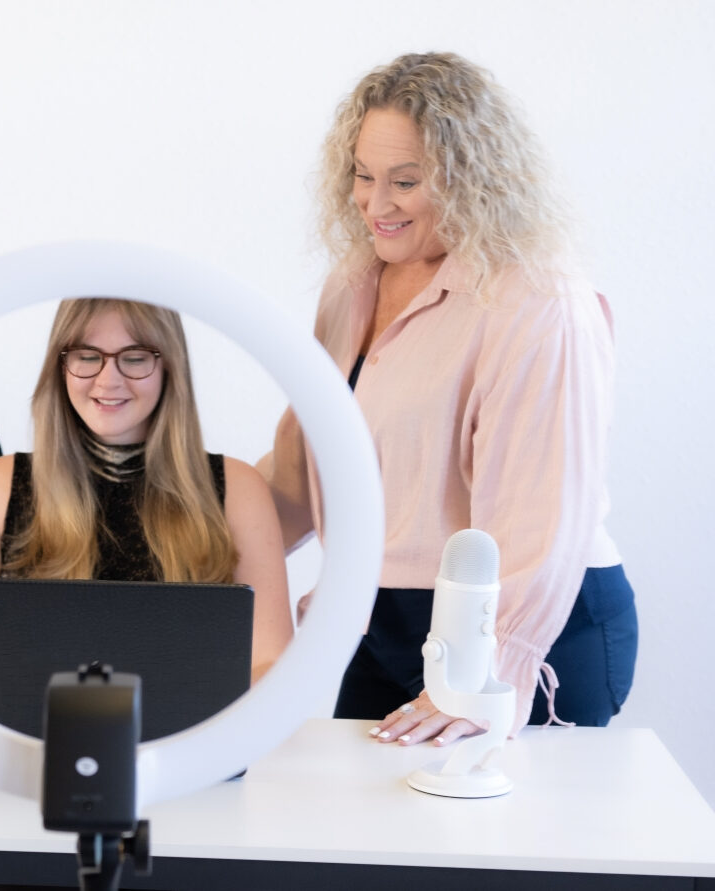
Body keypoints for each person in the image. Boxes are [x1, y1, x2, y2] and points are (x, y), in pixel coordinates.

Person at [260, 52, 636, 746]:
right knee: (363, 838)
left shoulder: (537, 300)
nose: (376, 205)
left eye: (406, 181)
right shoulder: (353, 286)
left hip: (526, 622)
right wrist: (172, 537)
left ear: (474, 179)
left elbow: (540, 517)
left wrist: (486, 671)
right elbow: (302, 468)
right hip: (387, 616)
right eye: (363, 176)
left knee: (485, 850)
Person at [0, 298, 293, 687]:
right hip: (26, 744)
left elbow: (271, 664)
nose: (108, 380)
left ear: (169, 365)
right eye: (86, 355)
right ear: (60, 365)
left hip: (196, 743)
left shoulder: (239, 489)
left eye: (134, 358)